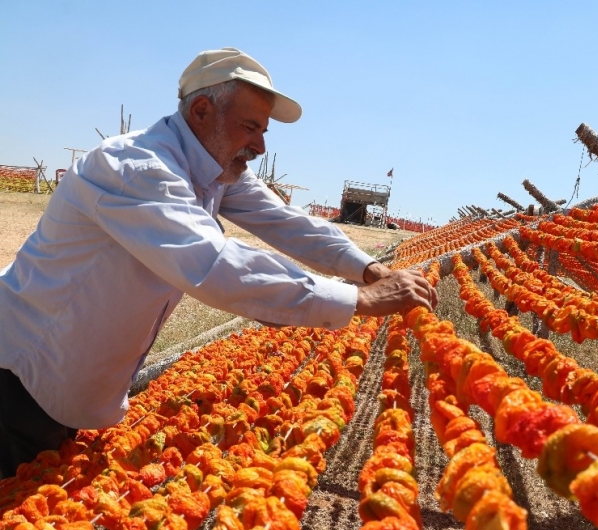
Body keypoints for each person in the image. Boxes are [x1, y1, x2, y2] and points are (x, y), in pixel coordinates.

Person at [0, 47, 438, 479]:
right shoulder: (136, 167)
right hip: (19, 378)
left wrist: (367, 269)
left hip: (62, 385)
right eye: (250, 126)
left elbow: (287, 222)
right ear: (203, 111)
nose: (260, 145)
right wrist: (357, 299)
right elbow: (214, 264)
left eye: (264, 131)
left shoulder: (214, 171)